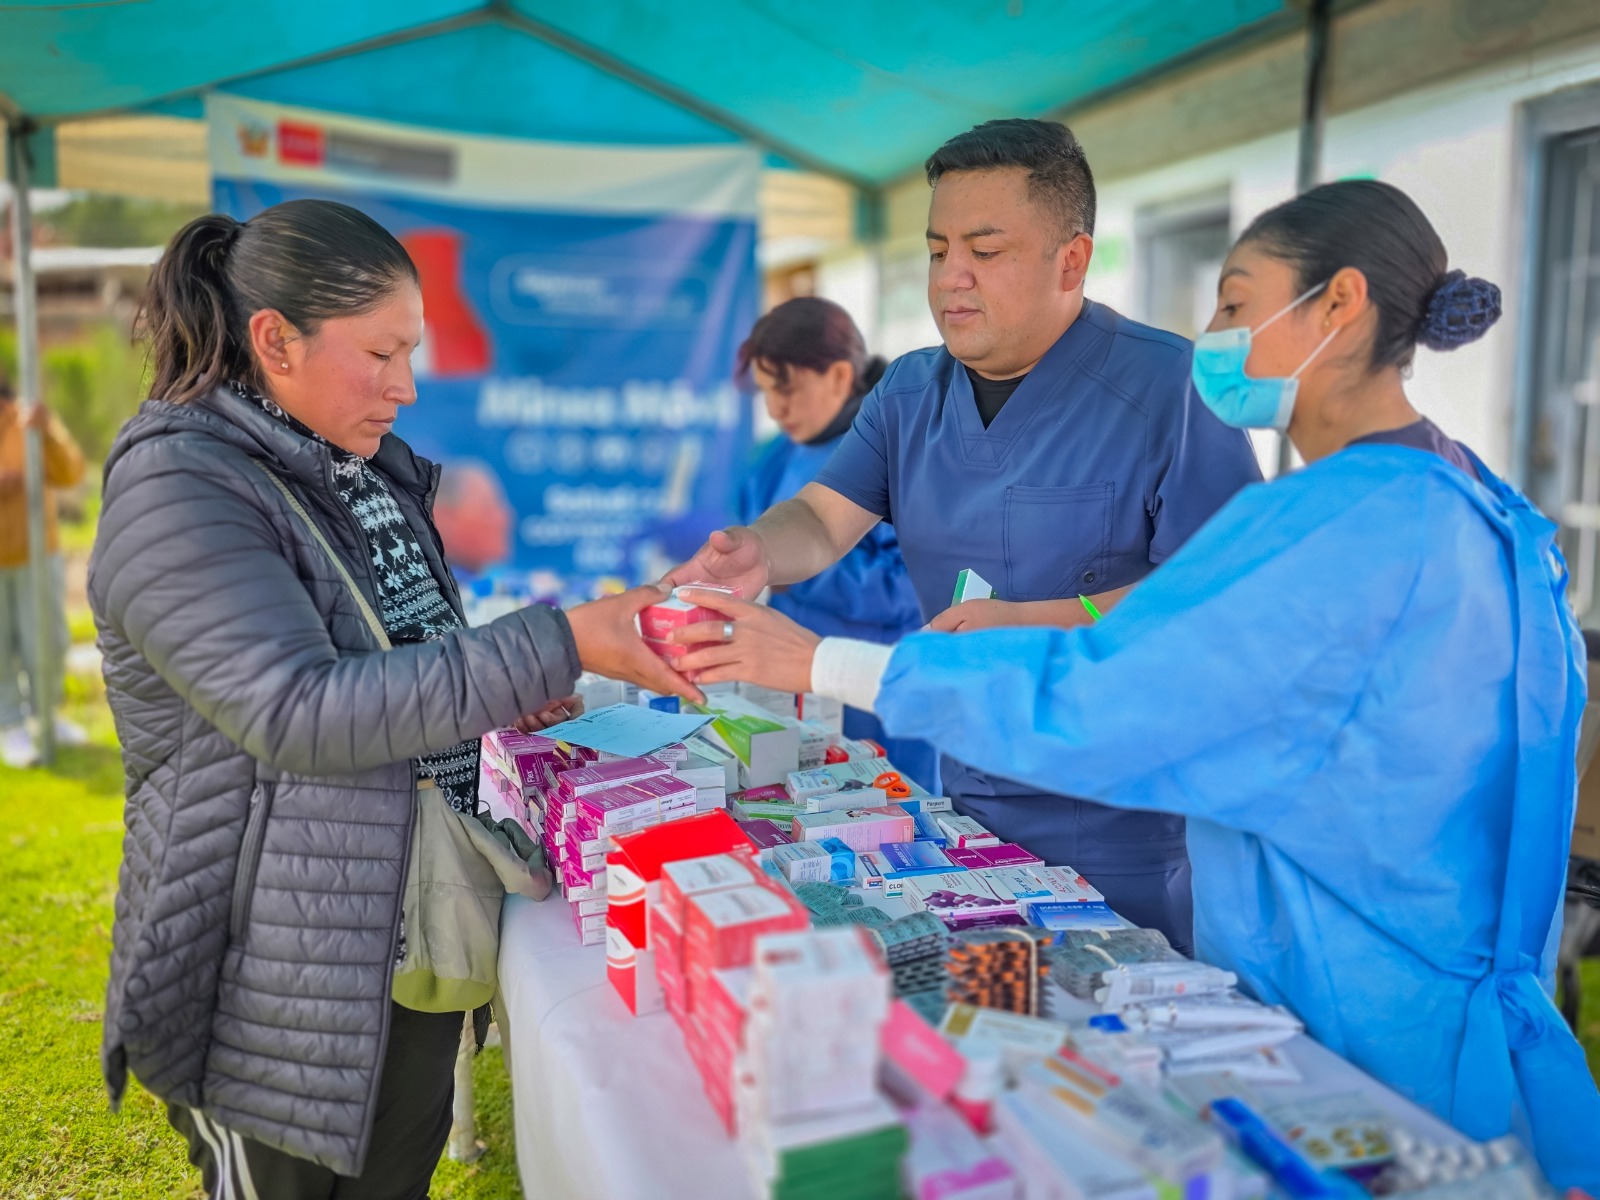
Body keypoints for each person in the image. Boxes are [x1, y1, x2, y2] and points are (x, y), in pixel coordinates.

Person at [667, 180, 1600, 1191]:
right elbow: (1193, 636)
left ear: (1338, 304)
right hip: (1446, 965)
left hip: (1368, 1005)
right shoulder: (1468, 497)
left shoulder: (1338, 526)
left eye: (1237, 304)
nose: (1215, 338)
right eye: (937, 250)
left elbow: (1107, 702)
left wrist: (817, 663)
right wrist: (1020, 618)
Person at [89, 200, 697, 1200]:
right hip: (276, 981)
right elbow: (296, 711)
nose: (406, 387)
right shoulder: (178, 487)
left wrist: (499, 695)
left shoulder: (358, 468)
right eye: (380, 353)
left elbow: (397, 659)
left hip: (402, 927)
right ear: (275, 342)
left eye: (411, 352)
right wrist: (560, 641)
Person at [668, 119, 1262, 951]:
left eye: (985, 251)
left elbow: (1223, 601)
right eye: (938, 249)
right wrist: (759, 550)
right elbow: (822, 517)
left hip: (1118, 818)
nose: (952, 277)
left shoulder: (1170, 389)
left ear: (1072, 261)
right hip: (962, 801)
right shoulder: (910, 393)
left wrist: (1039, 619)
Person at [735, 297, 936, 788]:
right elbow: (749, 521)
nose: (775, 408)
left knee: (890, 808)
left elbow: (916, 587)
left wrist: (790, 568)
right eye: (765, 391)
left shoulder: (902, 453)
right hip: (797, 686)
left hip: (874, 687)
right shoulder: (779, 452)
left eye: (787, 388)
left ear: (841, 377)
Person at [0, 371, 87, 767]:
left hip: (38, 552)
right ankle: (9, 725)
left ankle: (47, 715)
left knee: (49, 641)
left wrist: (46, 430)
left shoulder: (29, 418)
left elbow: (71, 472)